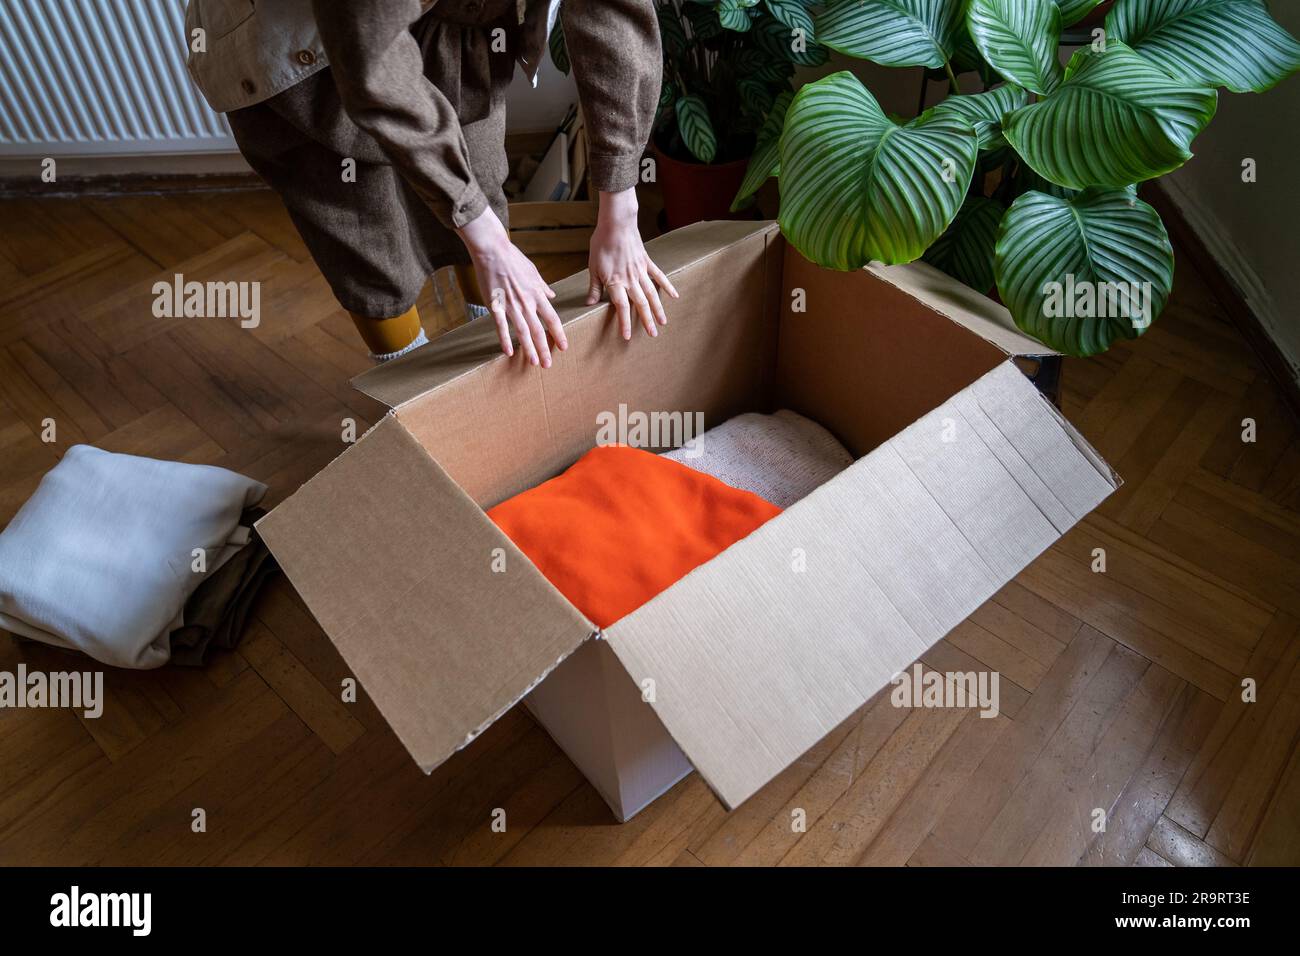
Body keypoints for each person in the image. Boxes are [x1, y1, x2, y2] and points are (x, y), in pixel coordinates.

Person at [184, 0, 677, 364]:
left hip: (454, 23)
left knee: (481, 189)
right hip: (307, 50)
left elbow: (613, 11)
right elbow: (371, 60)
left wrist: (620, 202)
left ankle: (499, 371)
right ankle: (414, 398)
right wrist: (480, 233)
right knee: (372, 247)